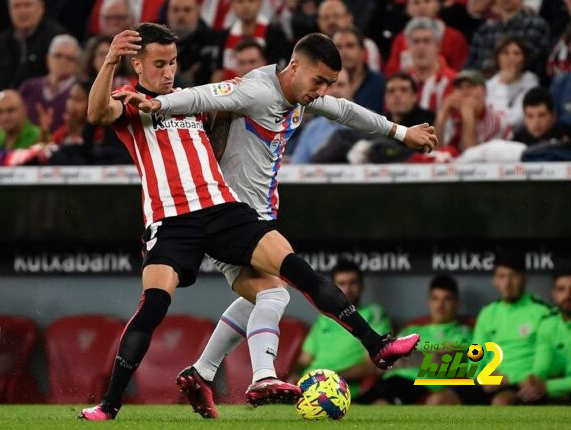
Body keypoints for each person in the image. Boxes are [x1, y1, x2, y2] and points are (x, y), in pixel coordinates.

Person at [79, 24, 435, 421]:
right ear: (137, 63)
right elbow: (97, 113)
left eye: (173, 62)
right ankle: (109, 404)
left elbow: (340, 109)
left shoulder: (189, 101)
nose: (168, 72)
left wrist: (401, 132)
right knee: (155, 307)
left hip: (223, 209)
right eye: (159, 64)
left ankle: (373, 345)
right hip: (171, 218)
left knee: (292, 274)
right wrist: (112, 64)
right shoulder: (129, 100)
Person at [431, 251, 553, 405]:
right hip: (488, 381)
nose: (507, 284)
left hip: (522, 383)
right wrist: (483, 377)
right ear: (495, 280)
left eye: (513, 276)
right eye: (501, 277)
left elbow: (545, 364)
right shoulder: (488, 313)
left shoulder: (543, 312)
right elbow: (475, 359)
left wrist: (510, 377)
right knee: (439, 400)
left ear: (524, 278)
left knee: (501, 402)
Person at [288, 260, 392, 400]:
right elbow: (304, 359)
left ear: (361, 285)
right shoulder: (325, 318)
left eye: (353, 283)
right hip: (308, 384)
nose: (348, 289)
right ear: (333, 287)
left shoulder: (374, 314)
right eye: (342, 284)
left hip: (338, 388)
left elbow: (372, 364)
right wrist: (294, 375)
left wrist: (330, 378)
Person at [368, 275, 471, 405]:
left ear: (457, 303)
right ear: (429, 302)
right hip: (386, 382)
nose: (440, 305)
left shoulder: (463, 333)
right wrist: (424, 358)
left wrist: (401, 359)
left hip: (419, 384)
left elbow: (441, 361)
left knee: (381, 406)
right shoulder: (411, 330)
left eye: (447, 299)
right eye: (435, 299)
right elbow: (382, 359)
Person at [0, 0, 67, 96]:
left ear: (41, 7)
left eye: (27, 5)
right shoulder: (0, 43)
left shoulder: (57, 41)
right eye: (17, 6)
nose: (22, 11)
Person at [518, 269, 571, 403]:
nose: (568, 295)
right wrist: (534, 380)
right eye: (561, 289)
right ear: (554, 294)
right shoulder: (548, 324)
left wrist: (547, 386)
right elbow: (542, 366)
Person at [465, 0, 551, 78]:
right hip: (481, 88)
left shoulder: (535, 25)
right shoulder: (485, 31)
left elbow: (528, 63)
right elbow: (469, 68)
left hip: (520, 86)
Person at [385, 0, 469, 76]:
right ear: (407, 8)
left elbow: (461, 72)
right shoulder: (400, 38)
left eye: (427, 1)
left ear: (438, 4)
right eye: (416, 2)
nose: (422, 6)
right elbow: (391, 73)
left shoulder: (455, 37)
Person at [435, 69, 512, 152]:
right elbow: (434, 151)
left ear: (485, 91)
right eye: (460, 88)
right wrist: (442, 115)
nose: (465, 92)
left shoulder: (495, 118)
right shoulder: (453, 116)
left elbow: (473, 156)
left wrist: (468, 116)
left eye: (470, 86)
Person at [213, 0, 291, 81]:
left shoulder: (275, 34)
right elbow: (219, 71)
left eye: (251, 1)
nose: (245, 6)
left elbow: (280, 73)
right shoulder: (225, 35)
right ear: (232, 5)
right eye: (240, 2)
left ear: (260, 3)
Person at [18, 35, 81, 134]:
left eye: (69, 58)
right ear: (48, 58)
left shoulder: (80, 94)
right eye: (58, 55)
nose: (63, 61)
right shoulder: (28, 87)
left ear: (77, 64)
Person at [290, 67, 352, 164]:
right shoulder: (312, 128)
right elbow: (297, 167)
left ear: (351, 87)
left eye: (341, 85)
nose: (335, 91)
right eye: (330, 86)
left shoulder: (368, 122)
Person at [404, 17, 457, 114]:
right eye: (416, 41)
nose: (421, 47)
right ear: (408, 46)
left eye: (427, 41)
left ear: (438, 46)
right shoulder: (400, 82)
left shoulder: (453, 81)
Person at [485, 36, 539, 129]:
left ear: (524, 60)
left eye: (516, 53)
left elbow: (514, 120)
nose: (511, 58)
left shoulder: (531, 83)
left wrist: (503, 85)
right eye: (505, 53)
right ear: (498, 58)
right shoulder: (489, 84)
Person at [317, 0, 381, 72]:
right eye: (325, 17)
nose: (331, 21)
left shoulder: (367, 46)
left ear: (349, 17)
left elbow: (373, 80)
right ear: (318, 21)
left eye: (336, 16)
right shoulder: (311, 49)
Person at [166, 0, 218, 87]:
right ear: (168, 12)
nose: (181, 15)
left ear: (197, 12)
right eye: (175, 10)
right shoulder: (154, 35)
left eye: (187, 10)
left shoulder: (210, 40)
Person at [332, 27, 385, 114]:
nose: (343, 52)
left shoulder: (379, 83)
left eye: (350, 46)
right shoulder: (325, 83)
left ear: (363, 51)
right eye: (338, 47)